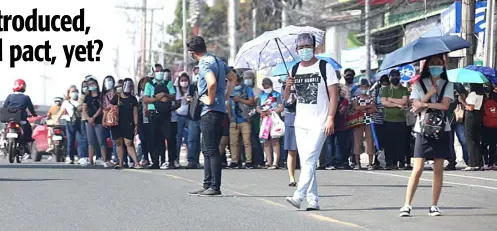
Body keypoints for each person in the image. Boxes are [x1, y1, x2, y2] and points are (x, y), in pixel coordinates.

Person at [284, 33, 339, 211]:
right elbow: (287, 100)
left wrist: (330, 117)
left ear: (314, 47)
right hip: (301, 122)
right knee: (308, 161)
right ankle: (313, 200)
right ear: (296, 49)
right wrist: (287, 86)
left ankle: (298, 195)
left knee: (309, 160)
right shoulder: (293, 69)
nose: (304, 50)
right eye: (301, 47)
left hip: (320, 121)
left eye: (307, 46)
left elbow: (334, 95)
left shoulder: (325, 67)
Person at [400, 55, 453, 217]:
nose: (436, 66)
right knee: (418, 168)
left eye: (439, 64)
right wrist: (429, 93)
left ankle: (434, 205)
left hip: (442, 129)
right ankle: (407, 205)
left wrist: (425, 104)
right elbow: (415, 107)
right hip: (422, 129)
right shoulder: (418, 84)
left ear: (443, 66)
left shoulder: (448, 84)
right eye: (433, 64)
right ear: (427, 66)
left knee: (438, 169)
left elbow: (445, 105)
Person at [187, 36, 237, 196]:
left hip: (210, 110)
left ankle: (215, 186)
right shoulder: (217, 60)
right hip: (218, 109)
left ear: (192, 53)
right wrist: (226, 96)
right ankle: (207, 184)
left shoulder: (204, 63)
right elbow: (233, 78)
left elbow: (212, 82)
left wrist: (209, 99)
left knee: (211, 149)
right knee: (206, 148)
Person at [143, 67, 176, 169]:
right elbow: (146, 99)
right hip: (154, 113)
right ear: (154, 73)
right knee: (155, 138)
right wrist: (157, 98)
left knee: (169, 137)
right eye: (157, 71)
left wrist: (165, 94)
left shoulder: (168, 83)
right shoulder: (149, 84)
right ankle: (156, 161)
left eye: (161, 71)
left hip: (165, 114)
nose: (159, 73)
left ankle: (169, 161)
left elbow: (173, 96)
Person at [110, 78, 142, 169]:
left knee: (129, 142)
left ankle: (136, 162)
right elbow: (109, 109)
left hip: (128, 123)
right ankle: (120, 163)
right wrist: (116, 106)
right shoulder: (116, 97)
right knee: (118, 143)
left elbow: (135, 113)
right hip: (116, 123)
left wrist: (136, 125)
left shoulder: (133, 99)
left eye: (130, 86)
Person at [381, 69, 409, 170]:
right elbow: (384, 102)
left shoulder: (404, 89)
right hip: (388, 119)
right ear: (389, 78)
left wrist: (391, 100)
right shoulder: (385, 89)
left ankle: (401, 162)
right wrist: (397, 104)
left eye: (397, 76)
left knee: (401, 142)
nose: (395, 78)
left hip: (401, 120)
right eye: (393, 77)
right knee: (389, 143)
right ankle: (389, 162)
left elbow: (405, 101)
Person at [2, 79, 37, 157]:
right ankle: (26, 143)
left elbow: (5, 106)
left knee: (5, 128)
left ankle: (4, 141)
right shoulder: (26, 97)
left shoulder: (10, 96)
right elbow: (31, 108)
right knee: (28, 128)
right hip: (21, 118)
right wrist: (34, 114)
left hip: (9, 118)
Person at [227, 74, 255, 169]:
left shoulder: (247, 89)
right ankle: (235, 161)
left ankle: (249, 161)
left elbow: (251, 102)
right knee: (233, 142)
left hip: (244, 119)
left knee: (247, 141)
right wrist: (230, 117)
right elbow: (227, 104)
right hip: (234, 120)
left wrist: (239, 99)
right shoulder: (229, 89)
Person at [256, 78, 284, 169]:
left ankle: (275, 163)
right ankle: (268, 162)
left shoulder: (277, 95)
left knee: (275, 140)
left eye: (266, 84)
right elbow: (258, 107)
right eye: (263, 84)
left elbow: (280, 107)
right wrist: (261, 112)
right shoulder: (261, 95)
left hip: (274, 120)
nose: (265, 85)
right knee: (266, 141)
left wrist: (271, 111)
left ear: (270, 84)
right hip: (264, 120)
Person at [83, 77, 110, 166]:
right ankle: (90, 160)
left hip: (98, 120)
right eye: (90, 85)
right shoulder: (87, 97)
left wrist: (94, 117)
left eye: (93, 84)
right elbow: (84, 109)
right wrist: (88, 118)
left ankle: (104, 160)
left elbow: (101, 107)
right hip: (89, 121)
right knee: (91, 142)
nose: (91, 86)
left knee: (101, 141)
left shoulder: (101, 95)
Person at [55, 85, 85, 164]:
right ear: (69, 93)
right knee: (70, 141)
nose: (74, 93)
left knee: (80, 140)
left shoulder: (80, 101)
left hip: (80, 122)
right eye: (72, 91)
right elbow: (60, 112)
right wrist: (56, 120)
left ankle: (81, 157)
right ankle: (70, 157)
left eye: (75, 91)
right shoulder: (66, 103)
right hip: (70, 123)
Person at [352, 78, 376, 170]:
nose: (363, 88)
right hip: (358, 121)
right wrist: (368, 106)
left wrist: (364, 107)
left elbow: (374, 109)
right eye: (362, 86)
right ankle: (357, 163)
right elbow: (356, 107)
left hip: (369, 121)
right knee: (357, 141)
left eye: (365, 86)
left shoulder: (371, 98)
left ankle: (370, 163)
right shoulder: (355, 97)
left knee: (370, 142)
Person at [463, 83, 485, 171]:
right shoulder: (481, 94)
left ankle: (472, 163)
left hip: (471, 115)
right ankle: (479, 162)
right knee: (476, 139)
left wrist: (463, 102)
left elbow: (470, 107)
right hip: (478, 115)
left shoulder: (473, 94)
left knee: (470, 139)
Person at [175, 73, 190, 165]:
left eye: (185, 80)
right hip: (179, 116)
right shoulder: (176, 90)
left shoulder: (191, 90)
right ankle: (176, 159)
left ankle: (190, 159)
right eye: (182, 80)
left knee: (189, 138)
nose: (184, 82)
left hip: (189, 116)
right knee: (178, 138)